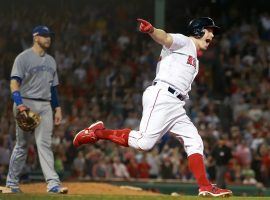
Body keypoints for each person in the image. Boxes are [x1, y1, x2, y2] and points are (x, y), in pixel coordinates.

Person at [73, 17, 233, 197]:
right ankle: (97, 133)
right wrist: (151, 30)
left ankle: (205, 186)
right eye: (209, 30)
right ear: (197, 30)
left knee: (194, 141)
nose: (212, 34)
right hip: (163, 96)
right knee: (144, 143)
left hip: (176, 104)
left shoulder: (194, 57)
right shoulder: (184, 41)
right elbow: (164, 38)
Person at [2, 25, 68, 194]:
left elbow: (52, 88)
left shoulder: (51, 61)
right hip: (26, 103)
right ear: (36, 37)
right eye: (45, 36)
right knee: (22, 145)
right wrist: (19, 103)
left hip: (45, 105)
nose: (48, 39)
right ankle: (12, 183)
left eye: (50, 36)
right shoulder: (23, 58)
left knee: (44, 144)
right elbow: (14, 83)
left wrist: (58, 108)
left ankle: (53, 184)